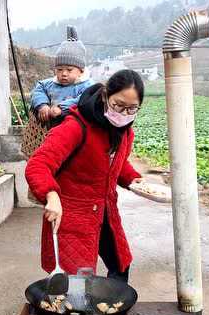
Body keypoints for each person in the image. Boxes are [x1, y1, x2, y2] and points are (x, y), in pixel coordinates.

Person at [25, 69, 146, 283]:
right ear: (105, 96)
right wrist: (51, 195)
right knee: (76, 284)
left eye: (131, 108)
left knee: (120, 267)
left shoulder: (124, 130)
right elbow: (38, 164)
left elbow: (116, 161)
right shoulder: (75, 126)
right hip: (73, 217)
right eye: (118, 105)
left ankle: (110, 312)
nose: (124, 113)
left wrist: (132, 178)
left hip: (105, 211)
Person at [29, 26, 94, 128]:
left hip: (74, 131)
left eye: (69, 70)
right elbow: (38, 89)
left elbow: (84, 99)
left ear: (81, 71)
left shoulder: (88, 86)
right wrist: (42, 105)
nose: (63, 73)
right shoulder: (50, 83)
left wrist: (61, 107)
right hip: (50, 131)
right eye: (59, 69)